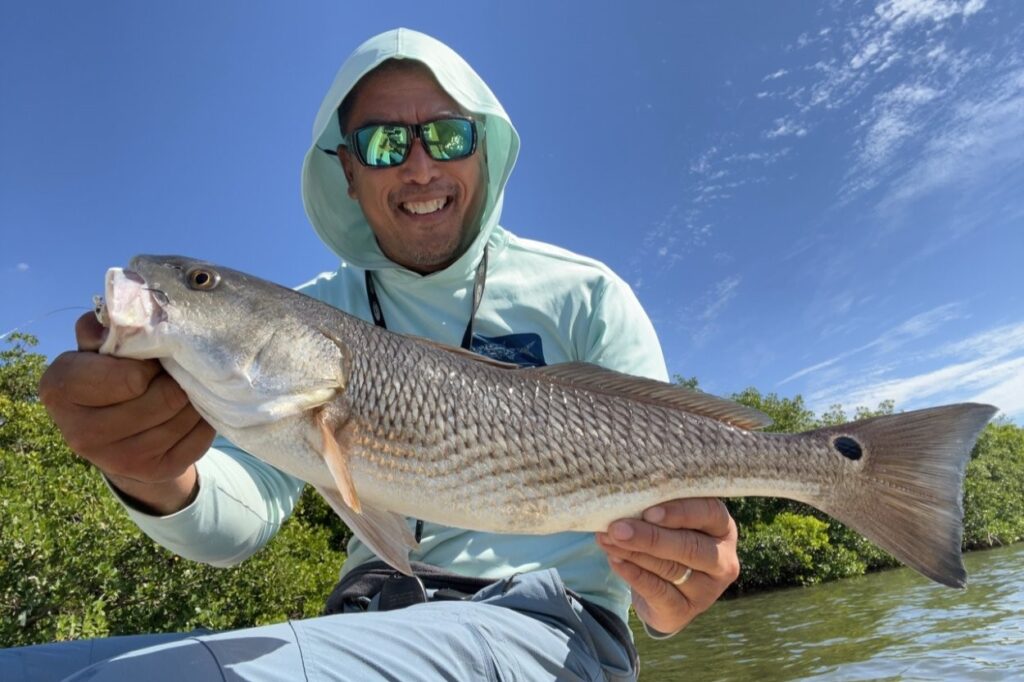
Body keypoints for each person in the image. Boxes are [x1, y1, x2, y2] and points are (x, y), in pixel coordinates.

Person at [11, 28, 739, 681]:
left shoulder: (586, 294)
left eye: (448, 136)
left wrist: (673, 589)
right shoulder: (311, 314)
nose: (420, 167)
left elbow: (670, 552)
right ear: (347, 174)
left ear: (484, 149)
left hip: (556, 626)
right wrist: (153, 473)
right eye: (384, 144)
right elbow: (241, 520)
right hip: (366, 624)